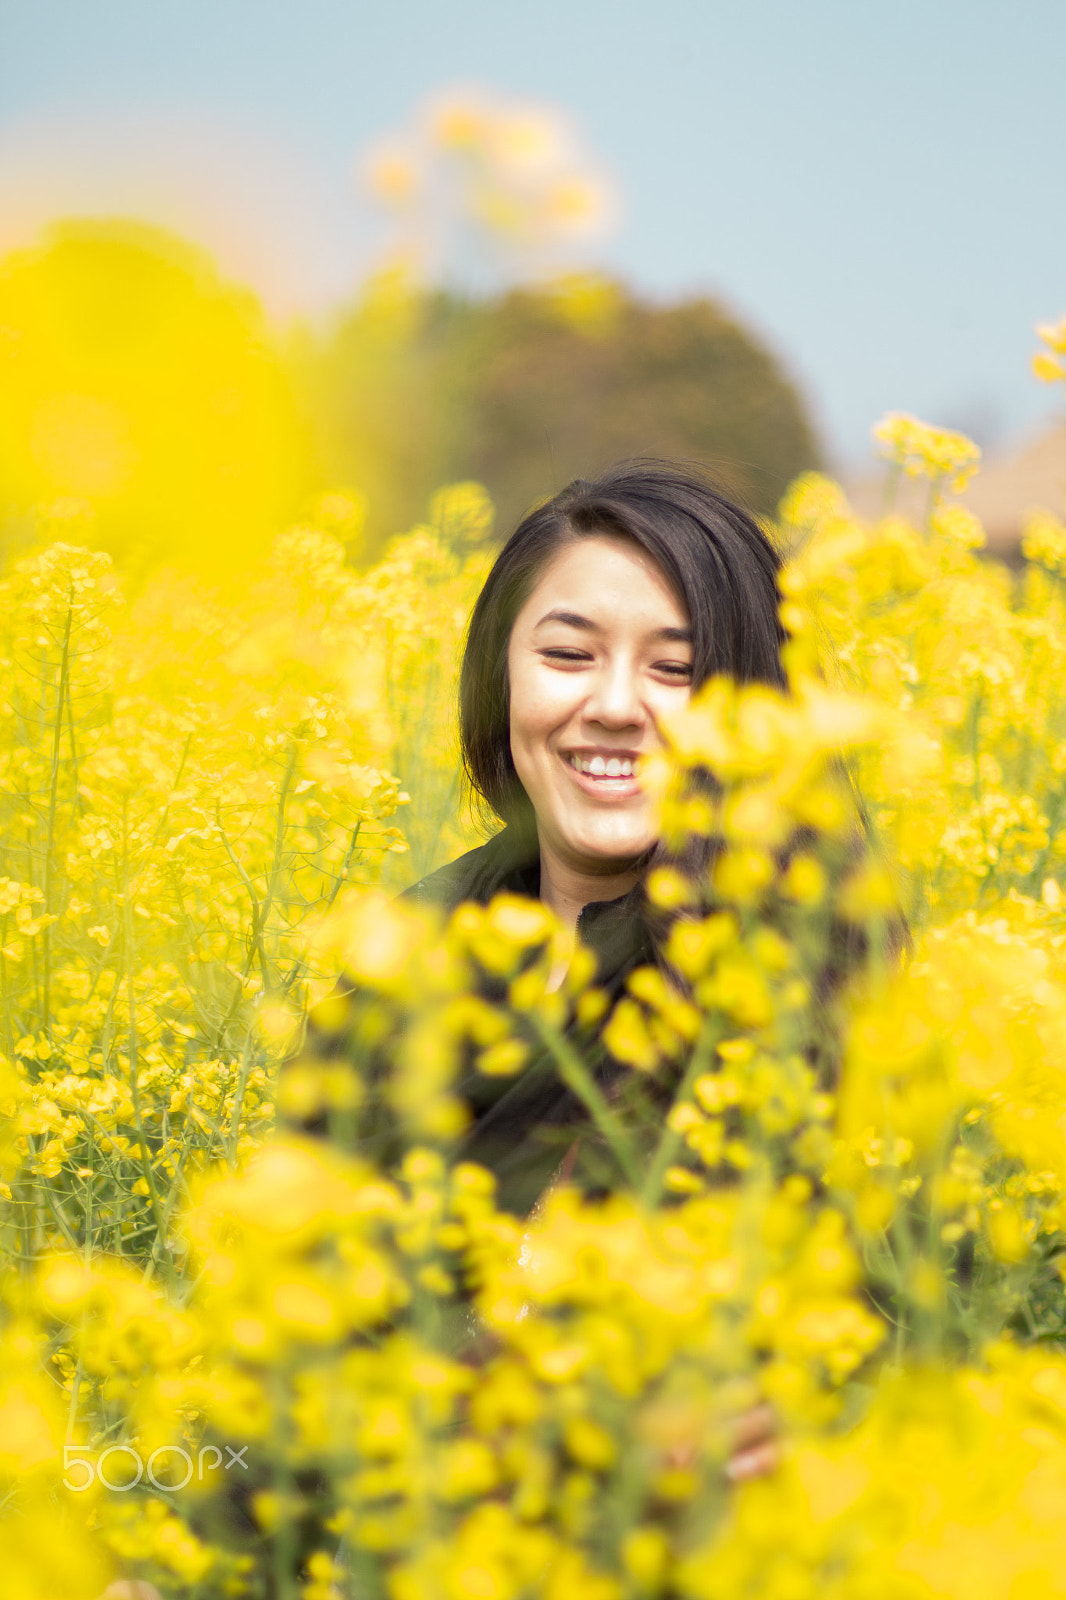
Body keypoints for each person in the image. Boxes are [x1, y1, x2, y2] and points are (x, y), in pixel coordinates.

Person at [400, 459, 792, 1218]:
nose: (615, 707)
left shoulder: (806, 1007)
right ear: (498, 678)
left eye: (676, 668)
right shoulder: (404, 959)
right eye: (568, 655)